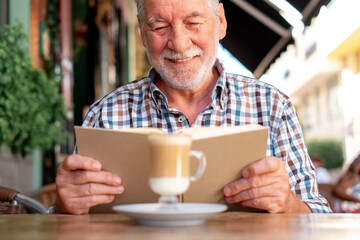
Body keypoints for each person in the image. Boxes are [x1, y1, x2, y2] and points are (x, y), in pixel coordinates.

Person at [53, 0, 332, 214]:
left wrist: (288, 204)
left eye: (193, 23)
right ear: (141, 32)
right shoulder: (105, 114)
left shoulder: (272, 106)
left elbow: (319, 216)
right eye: (159, 27)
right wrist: (65, 208)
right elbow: (64, 223)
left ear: (220, 21)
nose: (179, 43)